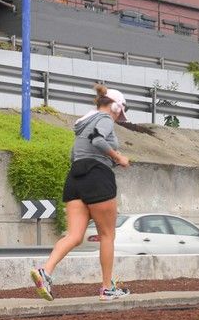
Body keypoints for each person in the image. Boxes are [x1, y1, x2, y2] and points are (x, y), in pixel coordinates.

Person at [31, 84, 131, 302]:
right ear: (114, 107)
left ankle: (45, 271)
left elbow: (79, 155)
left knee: (74, 236)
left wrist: (109, 160)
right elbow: (98, 140)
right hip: (97, 178)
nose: (118, 118)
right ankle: (107, 288)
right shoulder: (104, 120)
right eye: (119, 113)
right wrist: (118, 158)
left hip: (75, 179)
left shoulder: (81, 127)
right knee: (107, 235)